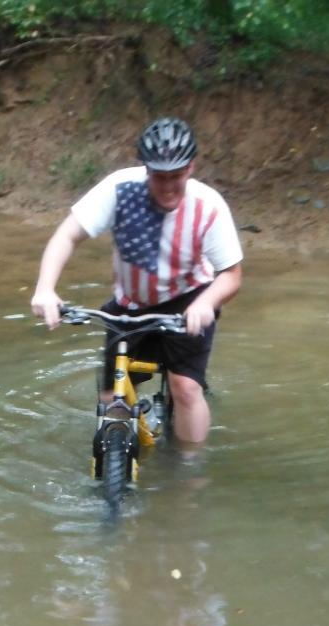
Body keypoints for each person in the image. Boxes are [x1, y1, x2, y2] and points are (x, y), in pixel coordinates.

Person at [30, 117, 243, 445]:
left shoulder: (209, 206)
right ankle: (115, 468)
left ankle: (189, 473)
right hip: (131, 303)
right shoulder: (118, 189)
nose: (169, 185)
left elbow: (231, 274)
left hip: (190, 298)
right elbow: (67, 236)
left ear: (191, 168)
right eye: (160, 176)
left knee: (185, 388)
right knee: (110, 398)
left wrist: (205, 304)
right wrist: (45, 289)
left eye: (177, 176)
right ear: (146, 169)